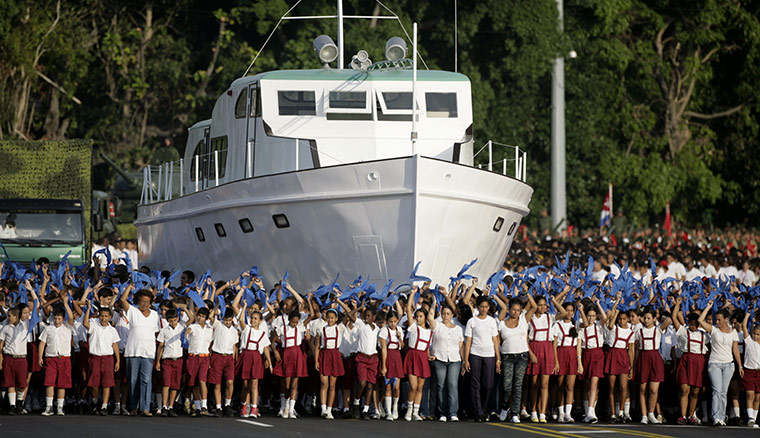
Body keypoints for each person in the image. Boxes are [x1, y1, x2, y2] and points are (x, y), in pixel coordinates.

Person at [698, 300, 743, 426]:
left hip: (728, 364)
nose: (717, 322)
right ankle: (716, 417)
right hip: (715, 364)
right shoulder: (714, 330)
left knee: (723, 392)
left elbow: (735, 349)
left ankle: (722, 417)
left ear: (726, 319)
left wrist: (739, 365)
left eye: (719, 320)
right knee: (716, 390)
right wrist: (708, 307)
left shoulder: (733, 332)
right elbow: (701, 321)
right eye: (716, 320)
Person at [494, 290, 534, 424]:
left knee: (518, 385)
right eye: (513, 310)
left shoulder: (523, 320)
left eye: (518, 310)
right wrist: (498, 359)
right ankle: (505, 405)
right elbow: (498, 342)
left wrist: (527, 291)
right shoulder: (501, 324)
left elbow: (533, 307)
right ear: (509, 310)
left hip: (522, 355)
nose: (516, 312)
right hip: (507, 356)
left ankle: (515, 413)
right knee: (506, 385)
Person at [118, 286, 159, 416]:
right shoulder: (133, 311)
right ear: (137, 301)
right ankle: (133, 407)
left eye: (147, 302)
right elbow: (123, 299)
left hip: (148, 352)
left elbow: (156, 332)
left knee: (146, 380)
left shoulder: (154, 314)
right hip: (133, 351)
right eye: (142, 301)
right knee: (133, 380)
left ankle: (145, 408)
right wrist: (130, 286)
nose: (144, 304)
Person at [339, 298, 379, 420]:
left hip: (373, 358)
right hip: (361, 357)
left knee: (370, 385)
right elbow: (350, 315)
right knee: (361, 383)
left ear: (374, 317)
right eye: (365, 315)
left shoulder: (377, 328)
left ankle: (365, 409)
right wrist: (358, 308)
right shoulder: (361, 325)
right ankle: (356, 403)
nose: (366, 318)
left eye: (368, 316)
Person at [272, 305, 314, 419]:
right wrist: (275, 351)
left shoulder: (300, 327)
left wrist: (309, 301)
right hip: (287, 354)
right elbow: (272, 341)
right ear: (289, 320)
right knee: (286, 384)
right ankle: (285, 405)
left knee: (295, 384)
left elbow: (313, 315)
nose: (294, 324)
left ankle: (290, 410)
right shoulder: (282, 328)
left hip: (297, 354)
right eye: (293, 322)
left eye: (296, 322)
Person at [672, 298, 709, 425]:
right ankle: (682, 415)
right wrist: (677, 305)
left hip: (699, 362)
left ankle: (691, 415)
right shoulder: (683, 331)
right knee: (684, 389)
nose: (693, 327)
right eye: (691, 324)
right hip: (686, 360)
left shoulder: (704, 335)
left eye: (695, 325)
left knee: (695, 391)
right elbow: (674, 318)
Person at [463, 295, 500, 422]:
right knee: (475, 384)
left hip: (489, 355)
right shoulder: (472, 321)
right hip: (475, 354)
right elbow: (468, 341)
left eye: (486, 307)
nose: (484, 309)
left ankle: (483, 409)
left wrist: (498, 359)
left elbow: (495, 340)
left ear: (489, 308)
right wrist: (466, 359)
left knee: (488, 385)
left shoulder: (492, 321)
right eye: (482, 307)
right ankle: (478, 412)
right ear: (478, 307)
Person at [403, 290, 436, 422]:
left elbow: (427, 348)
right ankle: (409, 409)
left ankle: (416, 412)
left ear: (425, 317)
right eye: (417, 316)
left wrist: (429, 356)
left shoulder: (429, 332)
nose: (418, 318)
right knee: (413, 386)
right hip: (413, 356)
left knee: (421, 387)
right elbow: (408, 311)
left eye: (421, 316)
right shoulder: (413, 327)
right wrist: (412, 294)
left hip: (423, 358)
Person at [83, 301, 121, 416]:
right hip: (95, 357)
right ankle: (95, 402)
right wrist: (89, 309)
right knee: (94, 383)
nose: (104, 319)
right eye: (101, 316)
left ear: (110, 317)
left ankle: (104, 406)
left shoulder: (112, 330)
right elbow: (85, 323)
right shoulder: (94, 326)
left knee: (107, 383)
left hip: (108, 358)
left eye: (106, 316)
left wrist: (117, 360)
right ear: (98, 316)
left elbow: (115, 345)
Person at [38, 299, 74, 416]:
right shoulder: (48, 329)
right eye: (55, 318)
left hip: (64, 358)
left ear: (63, 319)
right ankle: (49, 406)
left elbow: (71, 317)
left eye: (59, 319)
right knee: (50, 382)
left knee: (62, 383)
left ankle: (59, 407)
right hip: (51, 358)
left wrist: (65, 304)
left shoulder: (67, 328)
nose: (57, 321)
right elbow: (42, 343)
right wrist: (40, 357)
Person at [637, 307, 671, 425]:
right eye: (645, 318)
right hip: (643, 358)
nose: (646, 320)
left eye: (648, 318)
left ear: (654, 319)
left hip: (655, 358)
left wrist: (659, 317)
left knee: (653, 389)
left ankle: (651, 413)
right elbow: (636, 349)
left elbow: (668, 321)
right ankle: (644, 415)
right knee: (642, 389)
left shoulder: (657, 330)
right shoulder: (639, 331)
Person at [237, 304, 272, 419]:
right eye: (252, 318)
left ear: (260, 321)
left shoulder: (262, 334)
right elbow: (241, 320)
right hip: (246, 355)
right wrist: (244, 307)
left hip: (256, 357)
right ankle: (243, 406)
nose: (253, 320)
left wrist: (269, 363)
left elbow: (266, 349)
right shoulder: (247, 329)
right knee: (246, 384)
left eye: (255, 319)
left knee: (254, 384)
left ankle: (254, 407)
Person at [430, 303, 463, 422]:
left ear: (452, 315)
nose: (445, 316)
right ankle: (442, 412)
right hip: (440, 358)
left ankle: (453, 412)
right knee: (440, 386)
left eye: (448, 314)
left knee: (452, 385)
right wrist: (434, 304)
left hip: (454, 360)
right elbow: (430, 318)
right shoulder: (437, 326)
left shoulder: (458, 329)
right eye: (444, 314)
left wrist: (464, 361)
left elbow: (460, 346)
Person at [603, 296, 634, 424]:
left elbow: (631, 350)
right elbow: (610, 324)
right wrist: (616, 312)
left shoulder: (631, 332)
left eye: (624, 319)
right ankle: (613, 413)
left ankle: (621, 412)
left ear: (628, 319)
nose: (622, 321)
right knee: (611, 387)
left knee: (623, 386)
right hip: (613, 355)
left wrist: (631, 366)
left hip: (623, 357)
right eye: (620, 319)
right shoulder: (614, 328)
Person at [155, 307, 190, 417]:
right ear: (167, 320)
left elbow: (192, 318)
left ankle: (171, 406)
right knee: (166, 384)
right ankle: (164, 406)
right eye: (170, 321)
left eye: (175, 320)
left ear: (178, 318)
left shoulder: (182, 328)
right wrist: (158, 361)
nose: (173, 323)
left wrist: (185, 307)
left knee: (175, 385)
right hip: (167, 360)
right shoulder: (164, 331)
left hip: (178, 359)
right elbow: (161, 346)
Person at [579, 298, 607, 424]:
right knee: (586, 385)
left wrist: (599, 304)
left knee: (594, 384)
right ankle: (587, 412)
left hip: (597, 354)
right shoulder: (580, 325)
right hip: (586, 354)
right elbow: (579, 345)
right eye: (589, 315)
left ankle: (591, 412)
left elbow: (605, 318)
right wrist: (579, 362)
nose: (591, 318)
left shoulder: (599, 325)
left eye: (593, 316)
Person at [552, 300, 581, 423]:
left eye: (571, 311)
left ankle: (568, 414)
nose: (569, 313)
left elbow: (578, 345)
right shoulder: (557, 325)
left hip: (572, 356)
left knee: (570, 386)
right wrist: (556, 361)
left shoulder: (576, 325)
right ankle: (561, 412)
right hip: (561, 354)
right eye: (567, 310)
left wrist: (579, 362)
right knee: (560, 386)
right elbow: (554, 345)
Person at [315, 308, 346, 419]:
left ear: (337, 318)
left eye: (332, 318)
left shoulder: (340, 328)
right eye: (328, 317)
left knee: (333, 385)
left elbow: (349, 316)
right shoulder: (321, 329)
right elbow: (317, 346)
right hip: (324, 355)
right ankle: (323, 408)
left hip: (335, 356)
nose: (330, 320)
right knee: (324, 383)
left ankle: (329, 409)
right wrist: (316, 361)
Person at [0, 307, 30, 415]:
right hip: (9, 357)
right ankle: (12, 405)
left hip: (21, 358)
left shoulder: (24, 326)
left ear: (16, 316)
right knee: (10, 382)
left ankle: (19, 401)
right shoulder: (6, 328)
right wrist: (0, 360)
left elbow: (33, 317)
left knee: (22, 383)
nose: (8, 318)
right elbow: (1, 344)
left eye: (10, 316)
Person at [185, 306, 213, 416]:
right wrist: (185, 333)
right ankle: (197, 407)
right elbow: (188, 330)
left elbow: (210, 344)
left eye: (203, 316)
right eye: (199, 316)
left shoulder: (209, 329)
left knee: (202, 380)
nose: (200, 318)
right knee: (193, 383)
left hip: (204, 357)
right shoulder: (193, 327)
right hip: (193, 357)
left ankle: (204, 406)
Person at [379, 307, 404, 421]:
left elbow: (402, 346)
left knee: (396, 387)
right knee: (388, 386)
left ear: (398, 320)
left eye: (394, 321)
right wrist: (384, 365)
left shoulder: (399, 330)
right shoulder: (384, 331)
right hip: (388, 357)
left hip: (397, 357)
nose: (393, 324)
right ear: (387, 321)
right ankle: (388, 411)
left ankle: (395, 407)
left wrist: (400, 338)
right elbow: (383, 348)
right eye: (390, 321)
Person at [740, 312, 760, 428]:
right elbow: (743, 326)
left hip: (759, 372)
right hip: (749, 371)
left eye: (758, 334)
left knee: (757, 397)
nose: (755, 336)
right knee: (750, 394)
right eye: (754, 333)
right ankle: (750, 418)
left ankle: (755, 418)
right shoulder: (749, 341)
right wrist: (747, 316)